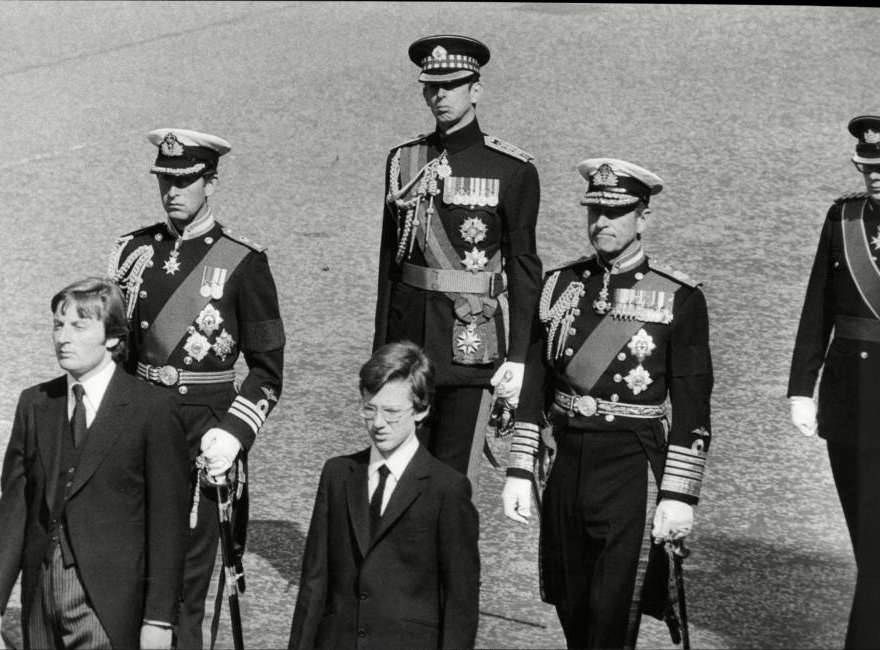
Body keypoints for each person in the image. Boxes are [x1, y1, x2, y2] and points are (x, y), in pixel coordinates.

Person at [501, 159, 714, 649]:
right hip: (567, 464)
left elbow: (693, 404)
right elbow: (536, 382)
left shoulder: (678, 297)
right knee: (572, 607)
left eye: (616, 212)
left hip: (631, 468)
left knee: (613, 615)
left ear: (642, 217)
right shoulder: (558, 286)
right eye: (595, 210)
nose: (602, 222)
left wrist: (679, 495)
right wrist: (519, 467)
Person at [107, 128, 285, 648]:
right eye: (165, 181)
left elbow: (268, 369)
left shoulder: (243, 262)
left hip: (206, 430)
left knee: (187, 578)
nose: (173, 192)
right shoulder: (133, 251)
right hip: (141, 425)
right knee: (131, 562)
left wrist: (235, 431)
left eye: (185, 181)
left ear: (211, 182)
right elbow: (118, 351)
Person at [0, 277, 189, 650]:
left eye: (78, 325)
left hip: (110, 607)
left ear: (113, 338)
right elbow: (15, 509)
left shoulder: (151, 409)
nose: (62, 337)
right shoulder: (35, 404)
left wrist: (159, 619)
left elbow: (168, 524)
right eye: (58, 325)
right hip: (40, 603)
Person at [373, 35, 542, 484]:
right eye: (431, 87)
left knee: (452, 483)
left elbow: (524, 268)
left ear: (476, 91)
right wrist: (381, 351)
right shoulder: (403, 161)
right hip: (408, 345)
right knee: (398, 475)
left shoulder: (512, 170)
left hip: (472, 345)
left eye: (451, 86)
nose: (439, 96)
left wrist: (520, 357)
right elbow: (389, 268)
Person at [788, 115, 880, 650]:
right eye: (867, 167)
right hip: (847, 404)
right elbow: (819, 306)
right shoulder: (843, 217)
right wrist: (799, 387)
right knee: (875, 551)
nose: (875, 177)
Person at [288, 341, 480, 650]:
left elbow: (461, 601)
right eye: (369, 409)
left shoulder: (447, 489)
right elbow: (314, 580)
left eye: (391, 412)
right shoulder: (337, 475)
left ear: (422, 410)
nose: (378, 423)